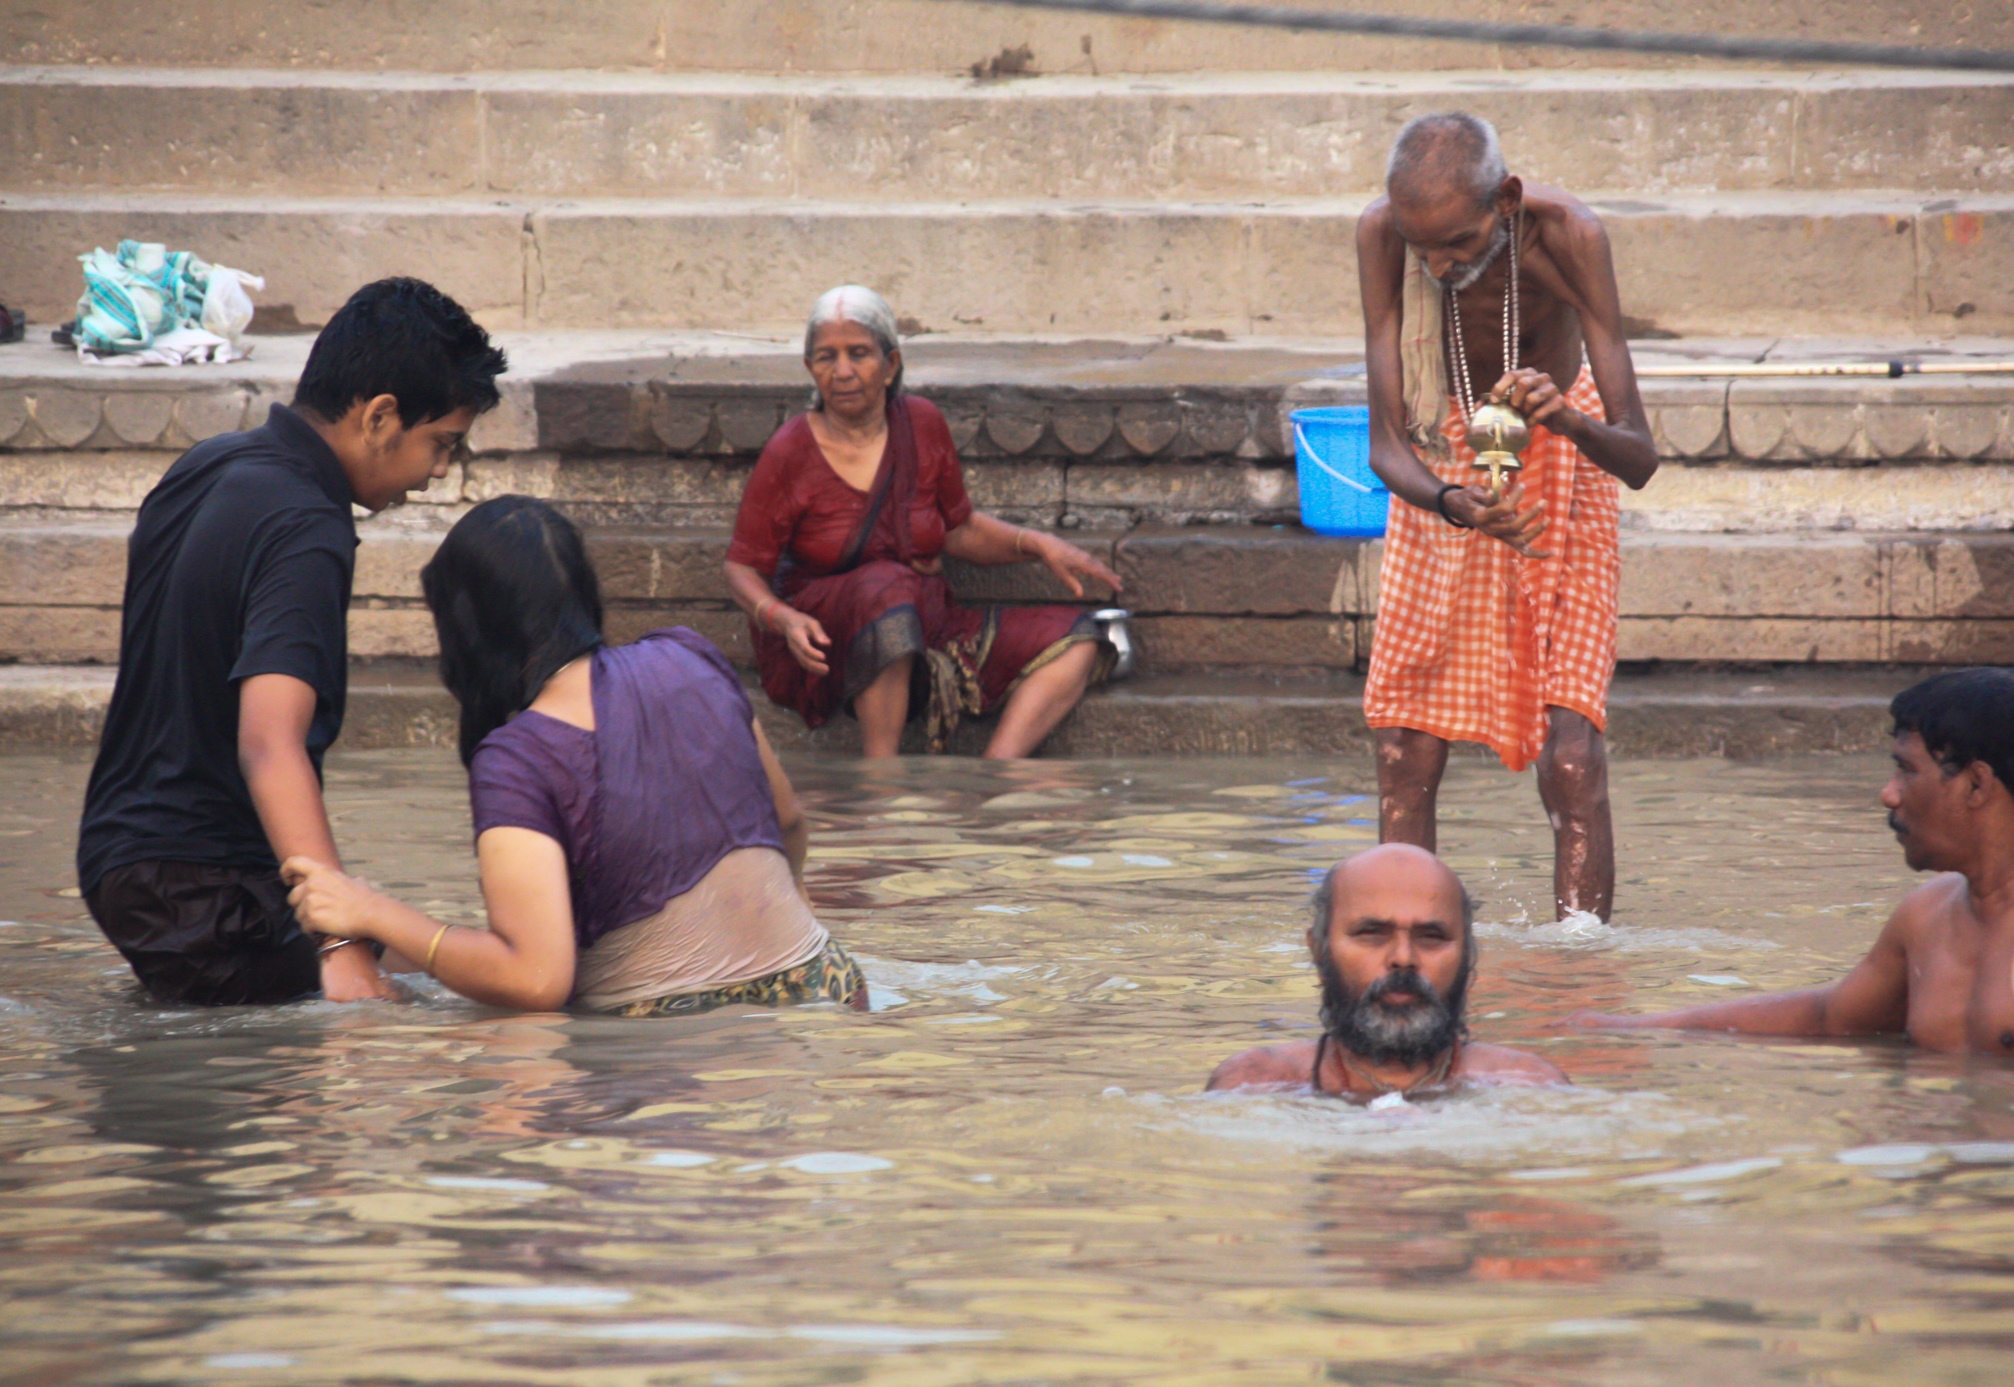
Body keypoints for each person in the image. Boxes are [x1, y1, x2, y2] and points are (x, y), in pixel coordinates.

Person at [75, 277, 505, 1006]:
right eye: (442, 444)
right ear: (380, 415)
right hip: (204, 885)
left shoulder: (206, 466)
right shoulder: (309, 524)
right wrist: (337, 944)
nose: (437, 475)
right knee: (427, 1020)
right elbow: (268, 741)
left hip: (123, 861)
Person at [280, 497, 867, 1016]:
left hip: (681, 1038)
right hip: (831, 985)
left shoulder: (520, 756)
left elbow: (535, 979)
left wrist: (369, 910)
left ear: (468, 632)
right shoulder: (692, 658)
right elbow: (787, 822)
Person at [1356, 112, 1660, 923]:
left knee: (1569, 754)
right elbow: (1387, 446)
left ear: (1507, 200)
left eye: (1457, 244)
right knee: (1403, 746)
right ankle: (1404, 944)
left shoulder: (1569, 237)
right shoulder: (1384, 236)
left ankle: (1582, 966)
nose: (1441, 267)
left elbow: (1639, 456)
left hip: (1569, 455)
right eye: (1426, 253)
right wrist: (1456, 502)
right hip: (1442, 463)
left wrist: (1566, 420)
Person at [1575, 668, 2014, 1063]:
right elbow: (1828, 1018)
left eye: (1905, 770)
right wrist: (1633, 1029)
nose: (1887, 795)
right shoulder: (1928, 914)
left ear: (1976, 785)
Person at [724, 284, 1125, 758]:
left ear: (891, 364)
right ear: (810, 369)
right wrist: (784, 619)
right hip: (827, 640)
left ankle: (998, 771)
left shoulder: (922, 423)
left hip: (928, 619)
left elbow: (957, 529)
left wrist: (1038, 545)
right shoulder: (789, 450)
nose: (844, 372)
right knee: (887, 586)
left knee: (1080, 641)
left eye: (860, 354)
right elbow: (742, 567)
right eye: (827, 357)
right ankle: (882, 775)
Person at [1207, 843, 1567, 1101]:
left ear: (1468, 954)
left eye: (1431, 937)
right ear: (1318, 950)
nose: (1403, 957)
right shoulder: (1253, 1085)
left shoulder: (1529, 1087)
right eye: (1372, 934)